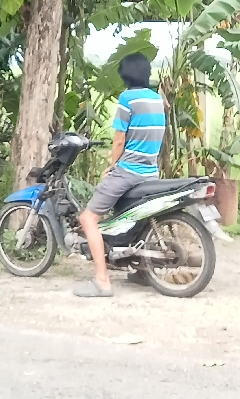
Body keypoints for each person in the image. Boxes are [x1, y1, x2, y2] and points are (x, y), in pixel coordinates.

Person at [73, 52, 166, 298]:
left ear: (126, 75)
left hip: (130, 171)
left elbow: (119, 140)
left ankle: (102, 281)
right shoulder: (157, 98)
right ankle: (144, 271)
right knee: (138, 221)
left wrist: (113, 166)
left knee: (88, 219)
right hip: (151, 172)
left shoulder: (128, 98)